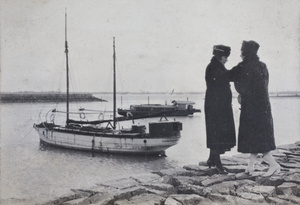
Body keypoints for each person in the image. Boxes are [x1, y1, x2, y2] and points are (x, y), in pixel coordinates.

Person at [230, 40, 280, 177]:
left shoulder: (244, 67)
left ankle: (274, 164)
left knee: (255, 137)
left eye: (242, 52)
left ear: (245, 53)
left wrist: (240, 93)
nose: (240, 55)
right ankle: (250, 166)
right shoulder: (262, 66)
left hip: (251, 108)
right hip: (263, 107)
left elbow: (240, 83)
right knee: (259, 136)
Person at [204, 45, 236, 174]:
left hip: (217, 106)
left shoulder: (216, 66)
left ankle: (212, 159)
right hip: (216, 107)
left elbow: (226, 76)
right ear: (220, 56)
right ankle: (217, 164)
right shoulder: (215, 67)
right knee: (216, 133)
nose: (226, 60)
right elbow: (227, 76)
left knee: (216, 132)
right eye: (225, 57)